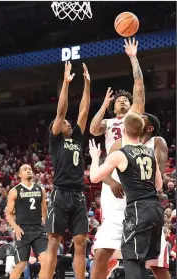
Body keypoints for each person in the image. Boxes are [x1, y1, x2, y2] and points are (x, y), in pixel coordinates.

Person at [90, 37, 145, 278]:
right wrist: (104, 104)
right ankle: (109, 260)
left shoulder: (134, 117)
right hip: (111, 173)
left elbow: (139, 86)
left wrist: (133, 57)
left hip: (132, 170)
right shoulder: (109, 120)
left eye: (126, 100)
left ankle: (128, 262)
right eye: (119, 101)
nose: (123, 101)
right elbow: (93, 129)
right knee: (110, 230)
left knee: (136, 232)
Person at [89, 112, 164, 279]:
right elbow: (159, 185)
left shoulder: (120, 154)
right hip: (156, 209)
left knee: (132, 261)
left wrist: (95, 157)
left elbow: (94, 177)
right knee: (142, 261)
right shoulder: (150, 152)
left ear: (123, 129)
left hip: (138, 210)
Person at [107, 112, 171, 279]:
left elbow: (158, 178)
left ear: (148, 128)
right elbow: (102, 172)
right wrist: (113, 183)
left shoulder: (156, 142)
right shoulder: (121, 144)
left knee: (156, 266)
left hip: (144, 206)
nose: (137, 118)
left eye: (142, 118)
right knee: (127, 258)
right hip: (126, 209)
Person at [44, 61, 91, 279]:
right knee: (53, 242)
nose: (68, 124)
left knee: (80, 242)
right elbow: (61, 111)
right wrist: (65, 83)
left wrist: (87, 85)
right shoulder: (56, 140)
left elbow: (83, 111)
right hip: (60, 193)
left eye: (68, 124)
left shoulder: (78, 140)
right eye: (64, 123)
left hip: (78, 195)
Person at [5, 164, 48, 279]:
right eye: (25, 169)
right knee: (21, 265)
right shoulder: (14, 191)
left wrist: (47, 224)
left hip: (38, 229)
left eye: (30, 169)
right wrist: (16, 227)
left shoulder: (41, 189)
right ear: (20, 175)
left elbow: (44, 209)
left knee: (45, 261)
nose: (28, 171)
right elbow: (8, 213)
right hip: (22, 230)